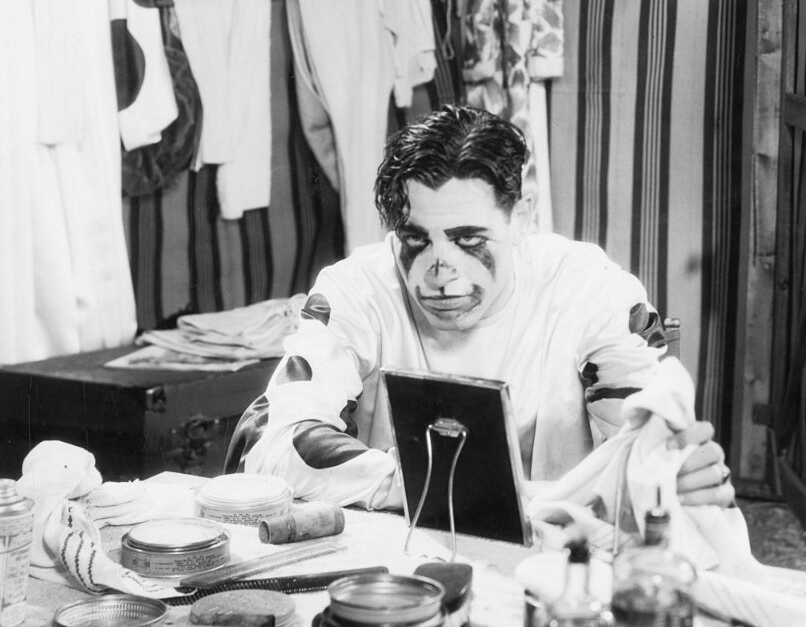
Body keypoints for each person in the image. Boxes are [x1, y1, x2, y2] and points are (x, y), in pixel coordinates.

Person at [225, 104, 735, 514]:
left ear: (521, 218)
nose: (440, 270)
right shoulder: (358, 291)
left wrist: (671, 467)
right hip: (397, 558)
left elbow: (650, 446)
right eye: (415, 240)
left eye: (468, 240)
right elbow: (269, 444)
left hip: (558, 557)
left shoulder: (588, 289)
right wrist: (448, 487)